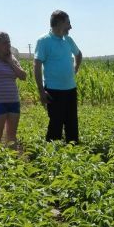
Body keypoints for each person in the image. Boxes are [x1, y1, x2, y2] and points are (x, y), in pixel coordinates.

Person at [34, 10, 82, 143]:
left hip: (70, 89)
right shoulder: (44, 41)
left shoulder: (68, 40)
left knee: (72, 122)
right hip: (54, 90)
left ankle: (74, 152)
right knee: (56, 123)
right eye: (68, 23)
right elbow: (37, 66)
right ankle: (52, 156)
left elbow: (78, 54)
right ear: (59, 23)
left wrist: (75, 68)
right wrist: (41, 91)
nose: (70, 27)